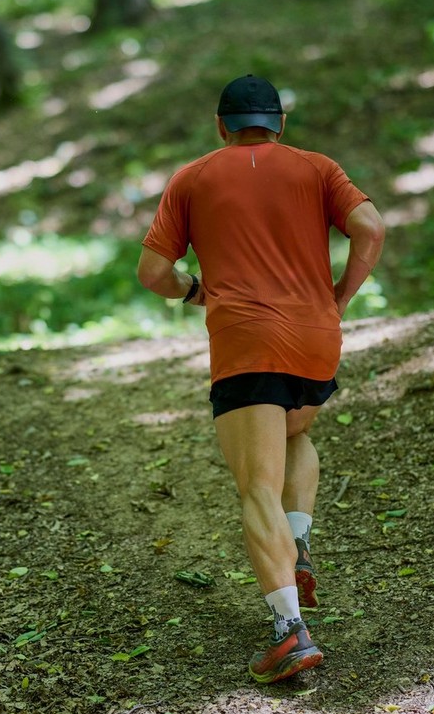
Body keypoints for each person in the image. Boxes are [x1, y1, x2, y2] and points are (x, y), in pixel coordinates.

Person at [136, 74, 386, 683]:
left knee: (256, 490)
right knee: (295, 437)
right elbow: (371, 228)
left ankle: (289, 633)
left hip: (248, 343)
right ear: (280, 124)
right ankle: (296, 545)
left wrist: (195, 291)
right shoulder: (318, 168)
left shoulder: (193, 178)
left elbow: (152, 270)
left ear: (221, 126)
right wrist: (340, 298)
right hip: (315, 337)